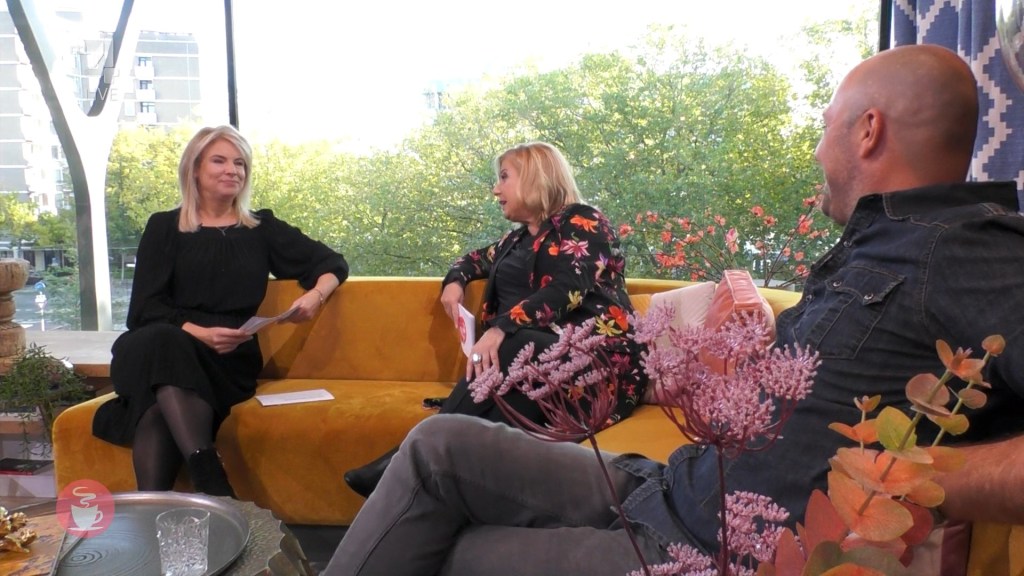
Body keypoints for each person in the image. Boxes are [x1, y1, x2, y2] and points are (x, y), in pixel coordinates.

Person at [323, 44, 1024, 575]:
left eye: (825, 126)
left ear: (868, 131)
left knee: (450, 551)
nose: (817, 150)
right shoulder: (880, 245)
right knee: (437, 445)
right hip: (670, 486)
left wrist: (914, 476)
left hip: (702, 549)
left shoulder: (966, 251)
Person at [342, 141, 646, 497]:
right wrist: (455, 282)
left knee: (515, 347)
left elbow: (568, 288)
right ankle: (418, 482)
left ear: (534, 177)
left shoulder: (585, 222)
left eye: (504, 177)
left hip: (596, 362)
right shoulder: (514, 241)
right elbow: (472, 260)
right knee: (499, 413)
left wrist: (504, 326)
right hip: (535, 369)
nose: (496, 190)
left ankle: (403, 461)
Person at [92, 125, 349, 497]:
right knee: (164, 342)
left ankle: (154, 509)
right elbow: (144, 308)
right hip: (160, 344)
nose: (232, 170)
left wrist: (316, 296)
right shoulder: (164, 227)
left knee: (157, 409)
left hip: (228, 356)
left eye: (240, 163)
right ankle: (211, 478)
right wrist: (198, 332)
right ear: (195, 169)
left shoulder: (261, 228)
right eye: (219, 161)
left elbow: (331, 262)